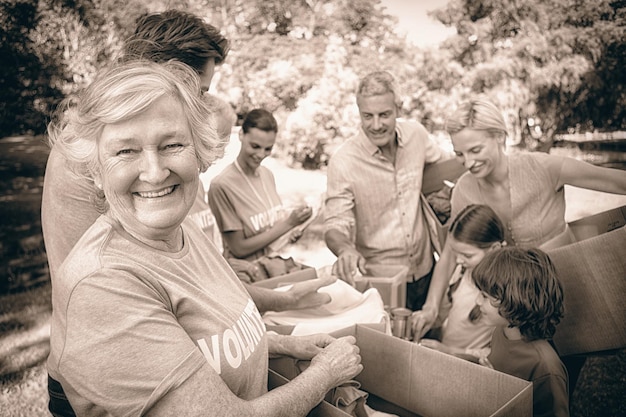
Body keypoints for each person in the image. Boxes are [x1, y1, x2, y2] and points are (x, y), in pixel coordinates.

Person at [46, 59, 362, 416]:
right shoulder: (103, 285)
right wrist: (325, 373)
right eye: (126, 151)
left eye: (171, 145)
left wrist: (285, 344)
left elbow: (205, 344)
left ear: (198, 153)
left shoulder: (182, 231)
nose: (154, 171)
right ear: (97, 172)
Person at [41, 9, 332, 315]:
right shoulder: (92, 150)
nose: (202, 105)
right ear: (171, 75)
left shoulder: (132, 140)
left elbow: (170, 258)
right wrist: (285, 301)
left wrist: (218, 263)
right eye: (201, 92)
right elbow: (157, 284)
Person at [411, 96, 626, 384]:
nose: (468, 162)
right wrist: (431, 307)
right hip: (505, 314)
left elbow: (616, 182)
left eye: (475, 150)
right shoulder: (463, 189)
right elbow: (451, 253)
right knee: (511, 383)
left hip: (555, 298)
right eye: (460, 154)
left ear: (499, 136)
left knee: (556, 375)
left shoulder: (544, 168)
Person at [323, 70, 442, 311]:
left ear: (398, 108)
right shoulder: (344, 161)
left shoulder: (417, 135)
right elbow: (335, 224)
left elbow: (442, 171)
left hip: (428, 269)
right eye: (368, 116)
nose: (376, 125)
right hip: (381, 281)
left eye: (384, 115)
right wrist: (345, 249)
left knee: (430, 340)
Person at [208, 108, 313, 271]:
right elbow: (239, 248)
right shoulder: (222, 186)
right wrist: (289, 224)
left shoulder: (267, 174)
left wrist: (290, 233)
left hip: (274, 266)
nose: (260, 154)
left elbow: (270, 228)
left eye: (267, 149)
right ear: (241, 135)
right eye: (255, 146)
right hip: (248, 275)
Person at [472, 247, 569, 417]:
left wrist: (497, 395)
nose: (477, 301)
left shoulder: (546, 368)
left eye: (485, 296)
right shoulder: (501, 331)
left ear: (515, 300)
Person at [419, 204, 505, 362]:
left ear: (495, 248)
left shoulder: (499, 295)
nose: (458, 260)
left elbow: (495, 355)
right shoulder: (462, 272)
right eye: (455, 253)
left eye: (467, 255)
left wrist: (451, 352)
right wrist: (427, 318)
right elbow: (450, 313)